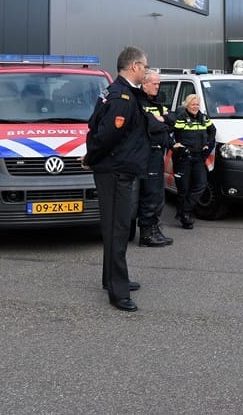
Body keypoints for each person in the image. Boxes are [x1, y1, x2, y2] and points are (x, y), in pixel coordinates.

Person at [83, 47, 151, 312]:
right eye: (145, 67)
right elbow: (106, 135)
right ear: (135, 66)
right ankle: (118, 291)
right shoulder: (122, 96)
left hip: (117, 168)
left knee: (115, 228)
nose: (146, 71)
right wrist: (91, 157)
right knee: (117, 230)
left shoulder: (120, 92)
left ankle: (110, 279)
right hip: (114, 171)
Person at [133, 70, 174, 247]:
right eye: (154, 84)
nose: (158, 87)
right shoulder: (138, 101)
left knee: (157, 194)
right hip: (147, 153)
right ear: (144, 83)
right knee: (149, 194)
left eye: (159, 84)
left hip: (158, 153)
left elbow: (173, 119)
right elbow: (149, 124)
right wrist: (160, 122)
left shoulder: (157, 103)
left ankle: (154, 229)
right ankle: (146, 235)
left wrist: (162, 119)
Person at [171, 93, 216, 230]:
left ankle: (184, 210)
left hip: (198, 158)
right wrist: (179, 147)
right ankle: (185, 217)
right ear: (187, 105)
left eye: (197, 104)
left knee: (201, 185)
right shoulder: (181, 118)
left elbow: (212, 131)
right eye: (193, 104)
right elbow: (173, 134)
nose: (195, 107)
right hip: (184, 158)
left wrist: (207, 144)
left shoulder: (203, 118)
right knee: (183, 189)